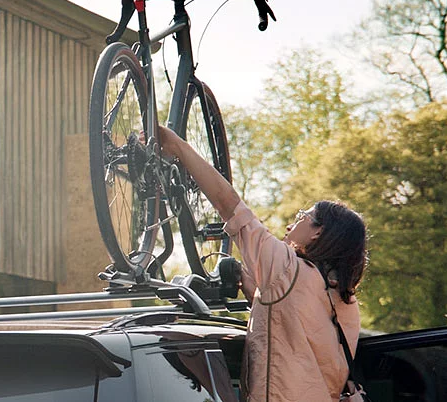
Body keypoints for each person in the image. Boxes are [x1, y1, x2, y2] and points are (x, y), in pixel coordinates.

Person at [158, 126, 368, 402]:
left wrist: (178, 147)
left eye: (303, 215)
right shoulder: (345, 301)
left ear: (318, 232)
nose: (294, 221)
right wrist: (251, 287)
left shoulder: (286, 270)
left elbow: (230, 206)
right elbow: (293, 328)